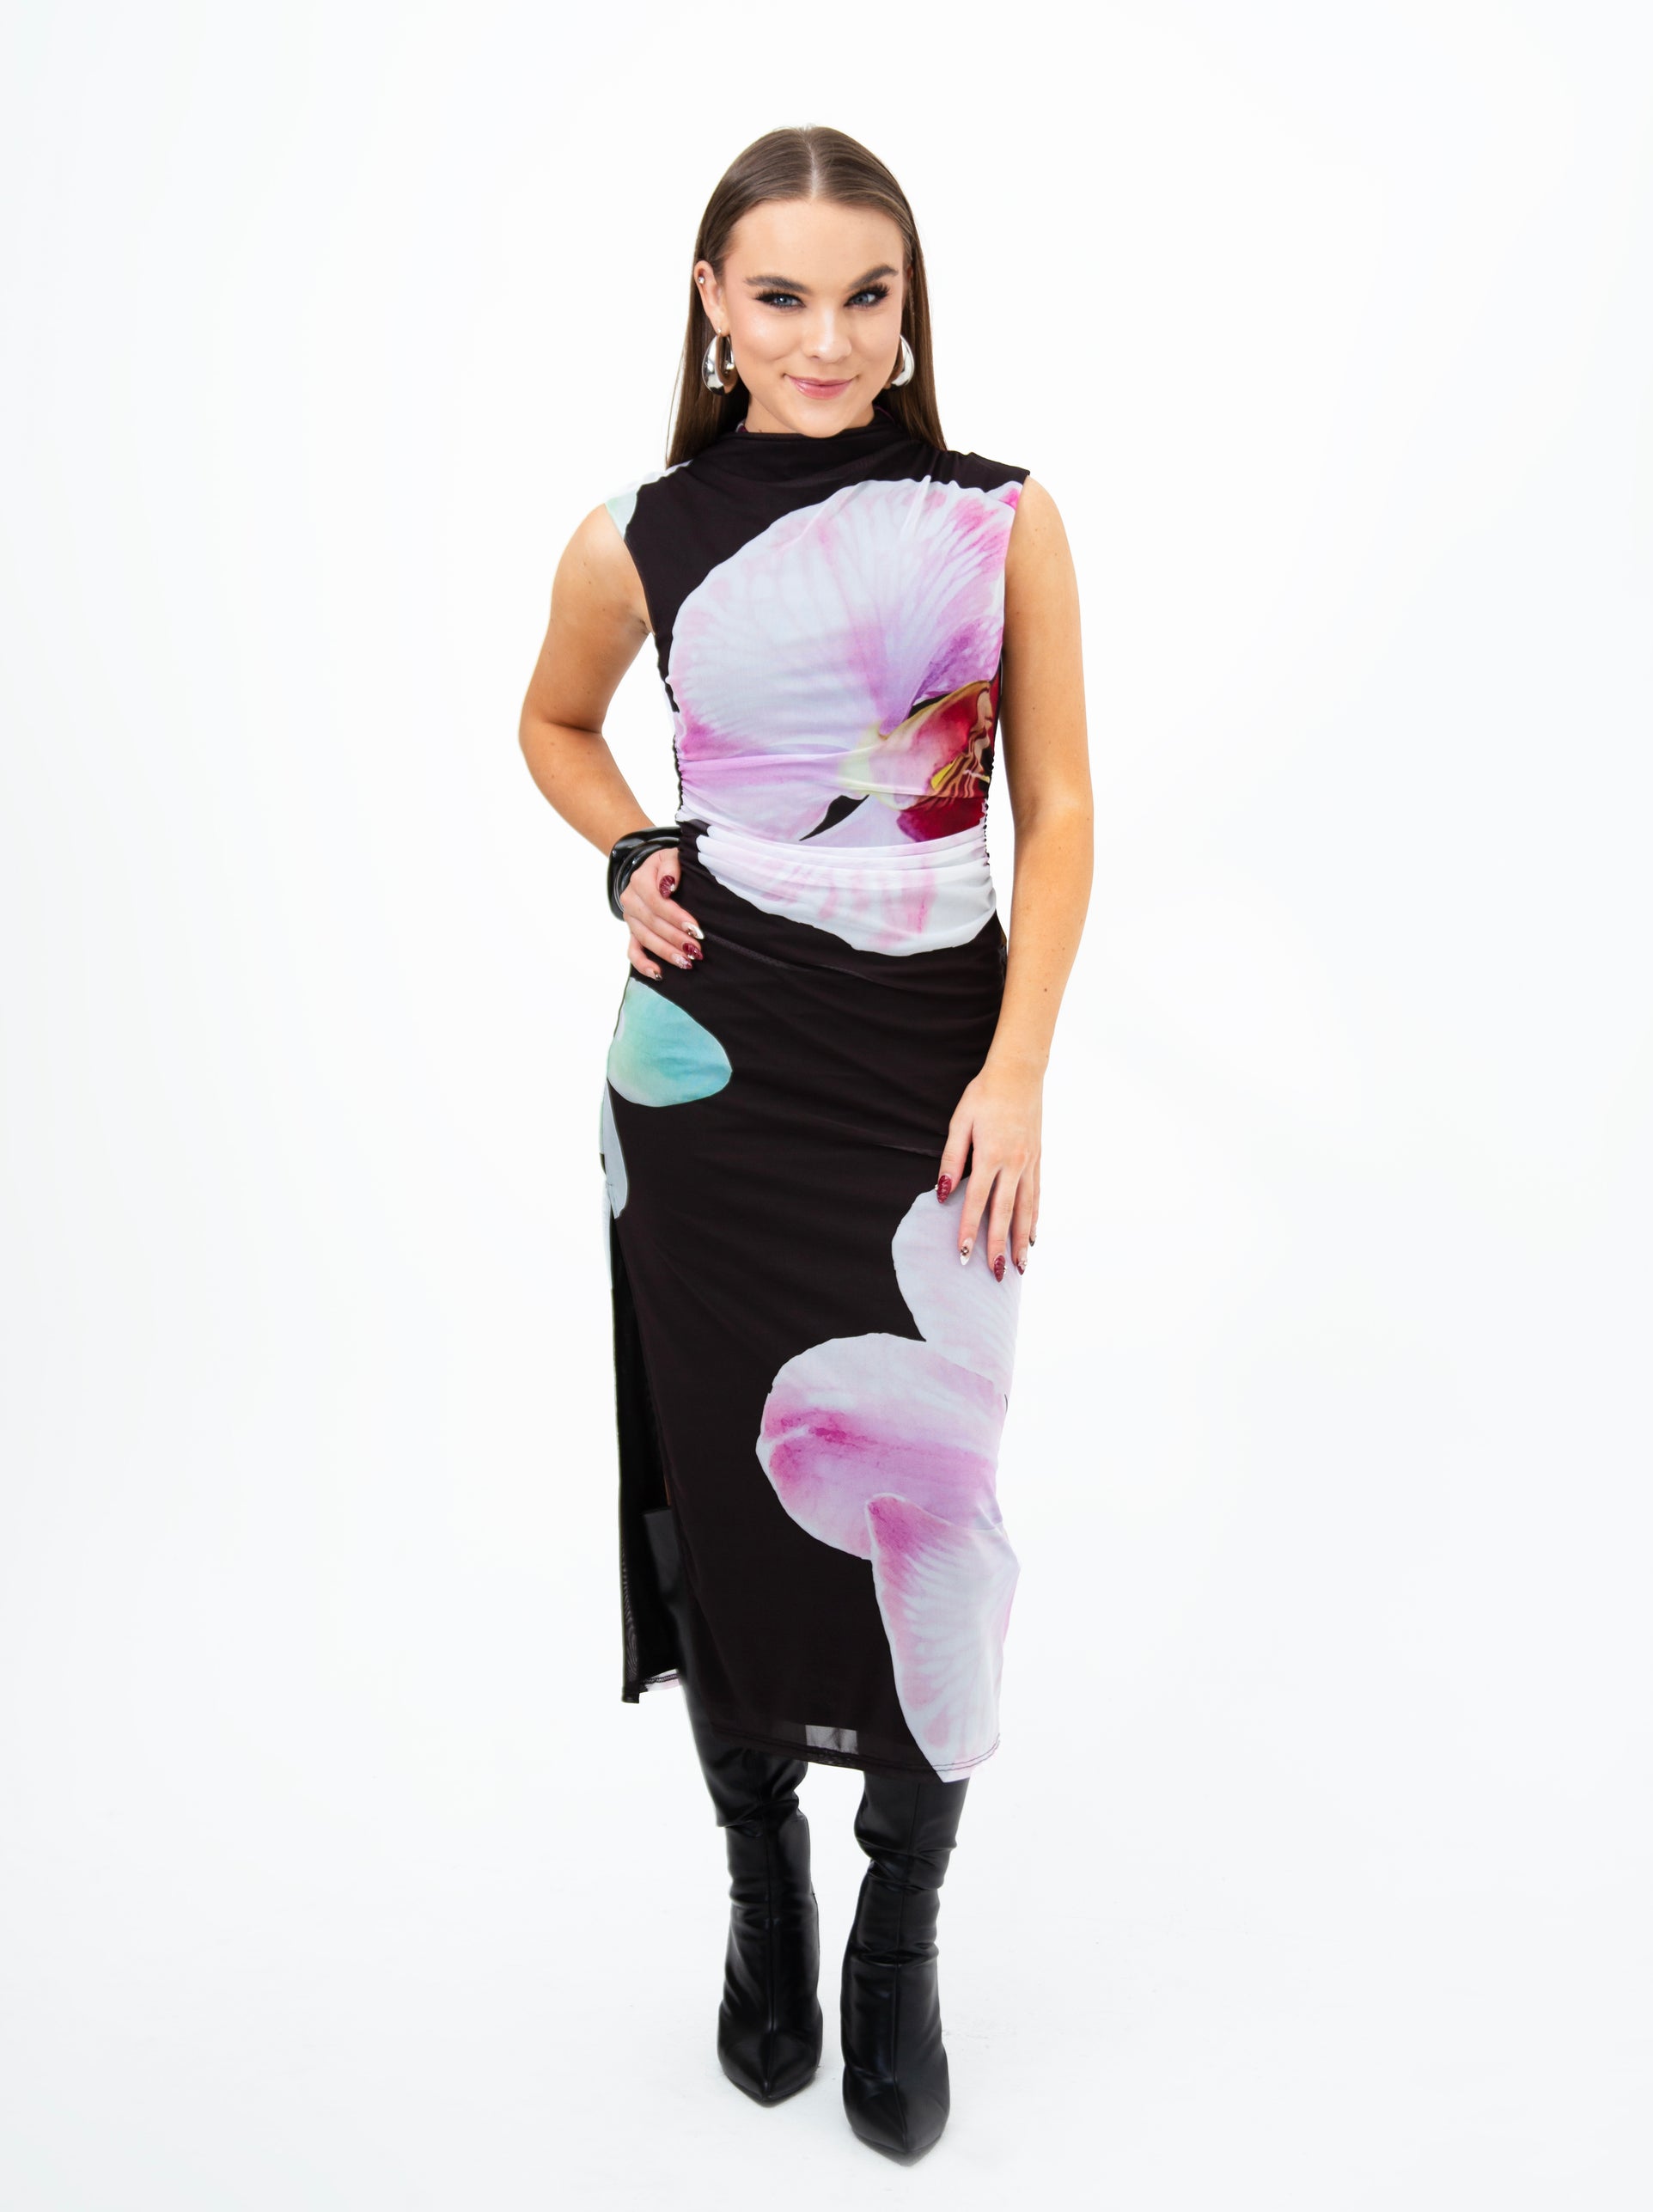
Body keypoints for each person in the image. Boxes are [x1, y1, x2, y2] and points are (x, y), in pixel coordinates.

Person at [518, 125, 1092, 2161]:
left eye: (867, 295)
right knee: (730, 1486)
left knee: (935, 1490)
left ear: (907, 306)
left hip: (933, 1061)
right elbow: (554, 726)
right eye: (781, 295)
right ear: (712, 304)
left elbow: (1058, 811)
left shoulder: (997, 517)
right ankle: (764, 1888)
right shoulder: (634, 534)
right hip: (709, 1079)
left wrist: (1016, 1072)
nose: (827, 338)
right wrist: (629, 856)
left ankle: (898, 1934)